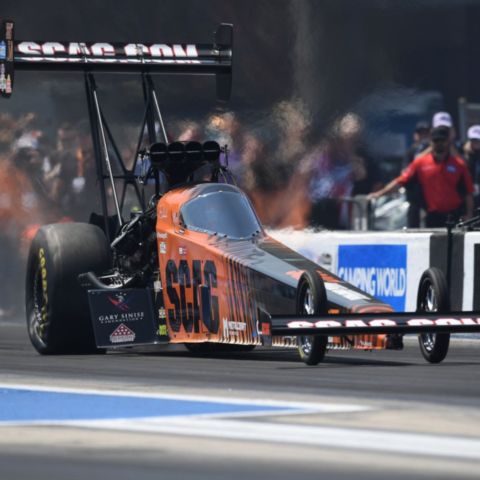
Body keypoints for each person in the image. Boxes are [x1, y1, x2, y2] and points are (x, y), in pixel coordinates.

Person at [369, 126, 474, 228]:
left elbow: (468, 192)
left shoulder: (459, 164)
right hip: (432, 216)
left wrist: (469, 214)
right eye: (436, 141)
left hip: (455, 215)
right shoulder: (421, 163)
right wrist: (380, 194)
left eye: (442, 140)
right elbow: (401, 180)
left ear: (448, 142)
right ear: (431, 142)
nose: (439, 144)